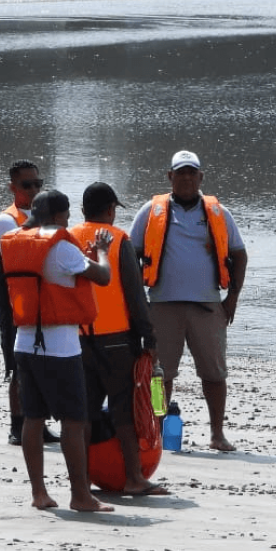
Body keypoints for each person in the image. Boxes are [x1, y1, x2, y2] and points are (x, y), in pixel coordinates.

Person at [0, 189, 114, 512]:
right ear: (60, 217)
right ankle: (80, 495)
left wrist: (83, 256)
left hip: (24, 342)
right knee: (74, 420)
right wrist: (102, 251)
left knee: (32, 418)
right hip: (60, 348)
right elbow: (102, 276)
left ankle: (39, 493)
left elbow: (59, 270)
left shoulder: (15, 239)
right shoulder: (62, 247)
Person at [129, 150, 248, 453]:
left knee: (214, 374)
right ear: (169, 176)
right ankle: (156, 429)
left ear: (200, 177)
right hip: (162, 306)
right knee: (159, 376)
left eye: (191, 172)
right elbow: (130, 255)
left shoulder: (218, 213)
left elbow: (239, 254)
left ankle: (217, 433)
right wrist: (135, 302)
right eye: (180, 172)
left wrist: (232, 297)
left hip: (208, 307)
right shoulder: (150, 210)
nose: (186, 178)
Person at [70, 182, 170, 496]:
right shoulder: (119, 240)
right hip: (116, 340)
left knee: (83, 412)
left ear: (83, 210)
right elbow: (134, 294)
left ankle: (83, 479)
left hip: (78, 338)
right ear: (111, 210)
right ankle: (134, 479)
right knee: (124, 409)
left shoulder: (68, 238)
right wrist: (149, 337)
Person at [0, 160, 58, 446]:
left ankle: (38, 422)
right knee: (18, 366)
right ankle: (17, 425)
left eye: (37, 184)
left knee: (41, 364)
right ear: (12, 188)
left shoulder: (45, 219)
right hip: (14, 303)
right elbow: (19, 255)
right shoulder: (7, 219)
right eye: (26, 185)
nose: (33, 190)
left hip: (40, 301)